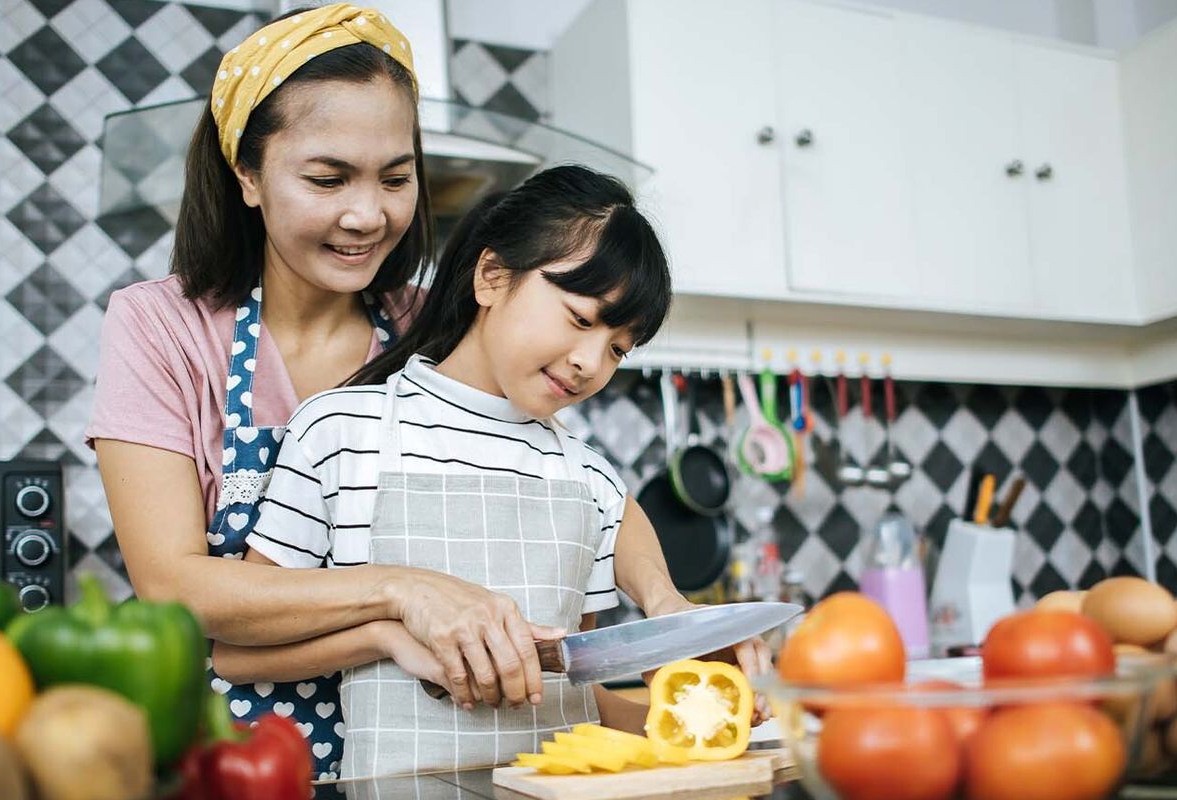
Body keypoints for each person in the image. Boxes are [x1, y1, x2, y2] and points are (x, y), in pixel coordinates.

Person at [85, 4, 727, 782]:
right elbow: (174, 589)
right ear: (247, 175)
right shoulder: (163, 325)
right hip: (240, 763)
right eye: (328, 178)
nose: (370, 214)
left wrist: (664, 601)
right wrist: (404, 595)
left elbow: (582, 481)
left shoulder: (434, 327)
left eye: (396, 178)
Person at [217, 165, 773, 779]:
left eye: (619, 348)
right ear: (491, 276)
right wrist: (385, 637)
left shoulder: (583, 477)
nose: (591, 361)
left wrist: (700, 704)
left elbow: (569, 700)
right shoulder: (342, 432)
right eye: (581, 319)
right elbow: (240, 652)